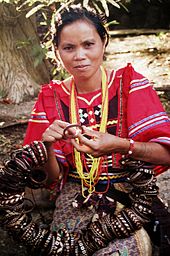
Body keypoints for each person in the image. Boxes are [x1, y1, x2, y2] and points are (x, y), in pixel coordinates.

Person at [23, 5, 170, 255]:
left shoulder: (130, 84)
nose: (79, 55)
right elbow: (48, 179)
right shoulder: (51, 97)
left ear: (103, 42)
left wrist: (122, 145)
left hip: (129, 195)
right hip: (75, 193)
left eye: (88, 44)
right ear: (56, 52)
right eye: (68, 48)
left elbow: (166, 154)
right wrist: (47, 146)